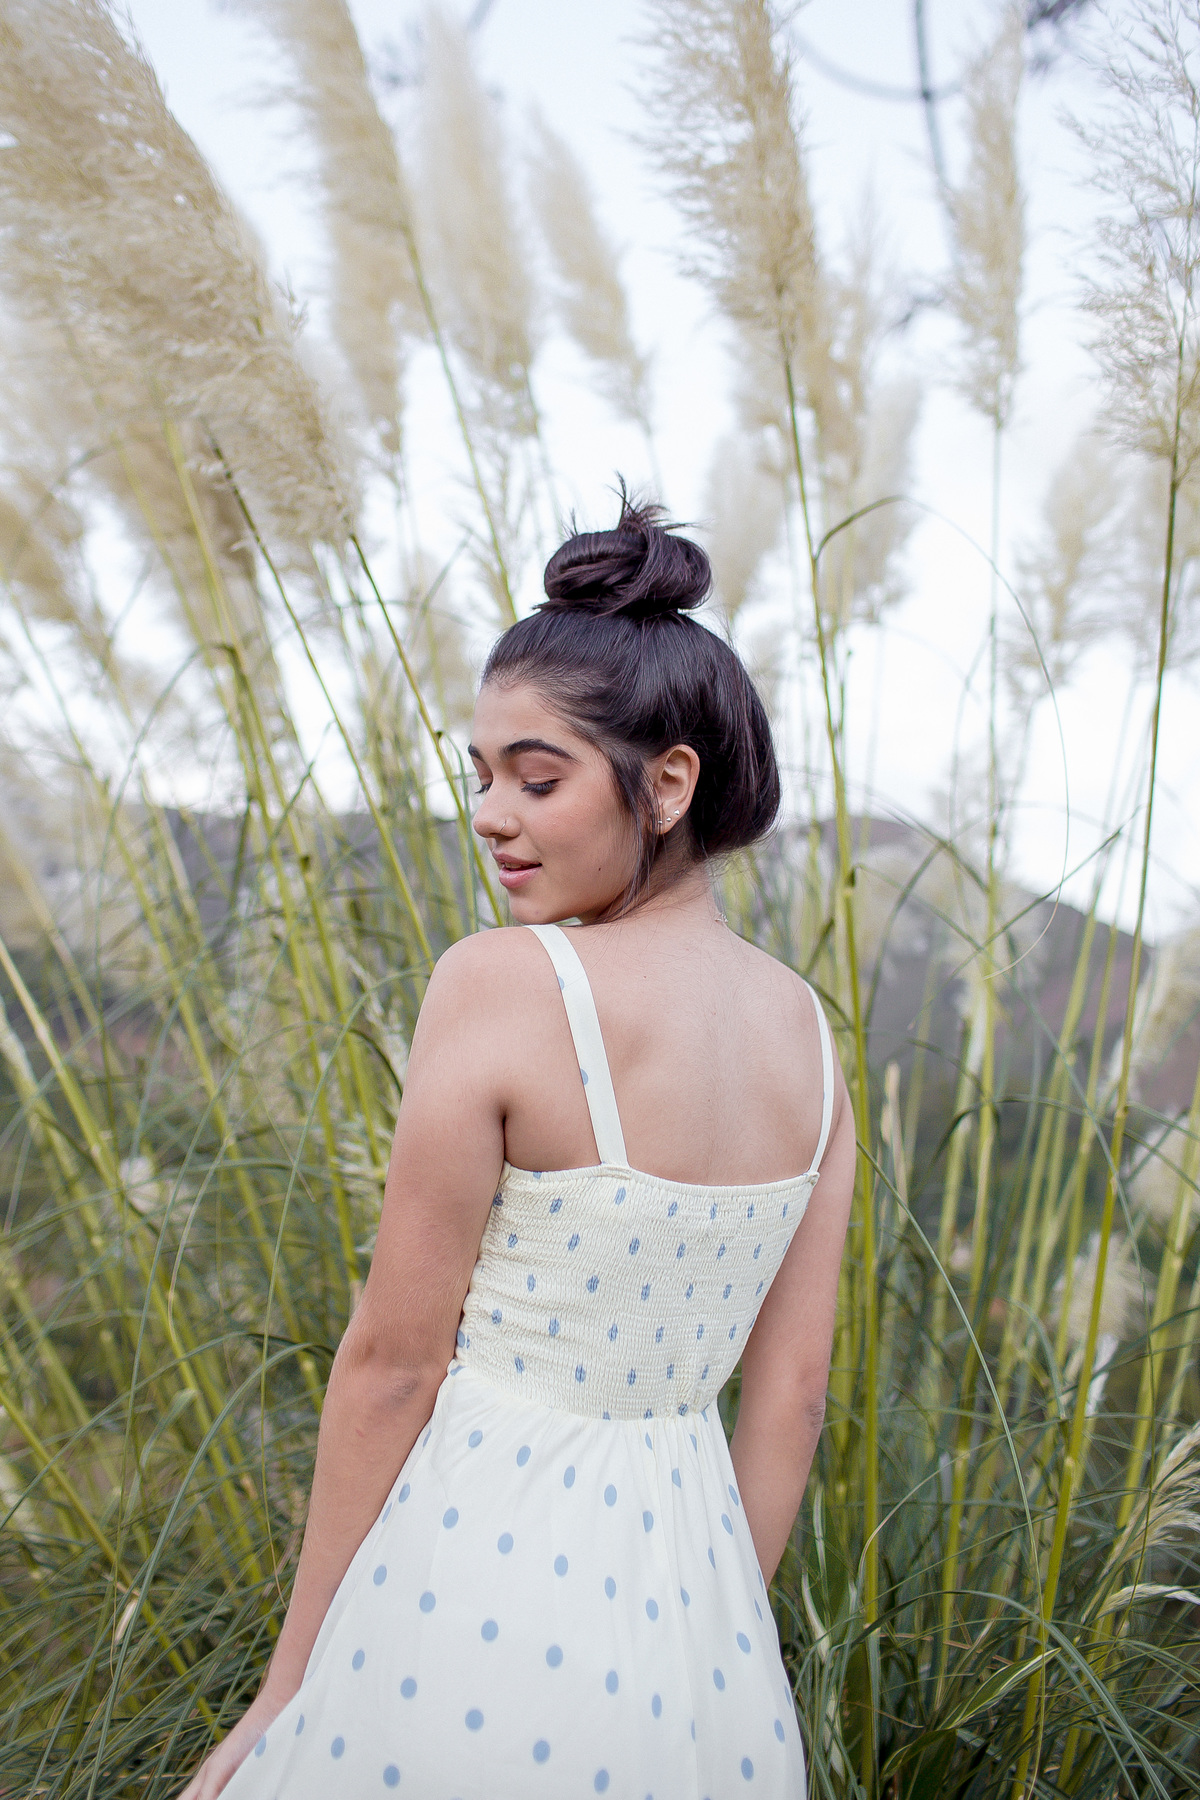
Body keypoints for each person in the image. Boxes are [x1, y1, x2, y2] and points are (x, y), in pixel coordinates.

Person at [181, 497, 855, 1800]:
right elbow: (795, 1392)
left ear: (667, 781)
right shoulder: (809, 1037)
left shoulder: (503, 983)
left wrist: (289, 1687)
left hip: (466, 1589)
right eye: (479, 774)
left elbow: (391, 1363)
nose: (493, 814)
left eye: (537, 778)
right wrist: (710, 1644)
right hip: (695, 1620)